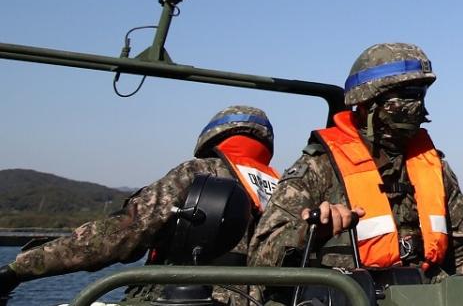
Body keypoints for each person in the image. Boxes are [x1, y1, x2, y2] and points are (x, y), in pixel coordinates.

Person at [247, 43, 463, 282]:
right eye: (406, 96)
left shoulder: (436, 168)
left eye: (420, 94)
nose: (418, 106)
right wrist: (312, 232)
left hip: (426, 294)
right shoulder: (318, 167)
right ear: (367, 101)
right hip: (349, 295)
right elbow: (261, 256)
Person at [0, 106, 278, 304]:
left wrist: (20, 268)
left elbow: (118, 235)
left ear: (212, 136)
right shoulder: (282, 186)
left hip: (184, 297)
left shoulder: (197, 173)